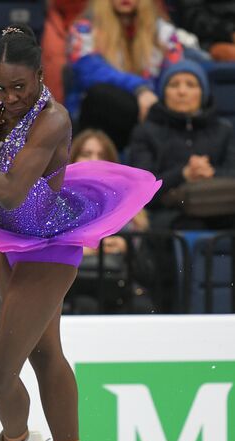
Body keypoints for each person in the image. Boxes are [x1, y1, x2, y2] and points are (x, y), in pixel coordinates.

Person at [0, 25, 160, 441]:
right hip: (11, 244)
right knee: (45, 355)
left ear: (40, 77)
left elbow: (14, 192)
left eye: (19, 87)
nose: (10, 98)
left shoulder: (54, 120)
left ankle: (16, 440)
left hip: (48, 245)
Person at [129, 59, 235, 229]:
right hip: (169, 213)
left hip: (221, 208)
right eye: (174, 84)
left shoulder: (224, 130)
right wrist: (183, 174)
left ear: (203, 93)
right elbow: (141, 188)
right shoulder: (146, 132)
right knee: (188, 226)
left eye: (191, 85)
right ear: (164, 92)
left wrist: (210, 172)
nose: (182, 91)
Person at [67, 0, 183, 150]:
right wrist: (140, 89)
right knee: (101, 94)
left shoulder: (164, 33)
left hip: (150, 114)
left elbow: (174, 75)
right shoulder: (84, 30)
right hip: (97, 116)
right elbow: (90, 71)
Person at [67, 129, 155, 314]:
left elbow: (149, 272)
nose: (94, 160)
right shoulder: (56, 201)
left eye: (101, 155)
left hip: (119, 288)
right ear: (72, 158)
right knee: (85, 305)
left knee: (142, 307)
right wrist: (79, 249)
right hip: (72, 287)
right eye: (86, 153)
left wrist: (126, 247)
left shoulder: (133, 210)